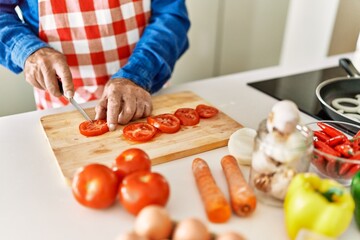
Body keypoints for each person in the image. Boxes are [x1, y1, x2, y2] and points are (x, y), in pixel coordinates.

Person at [0, 0, 190, 131]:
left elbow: (170, 12)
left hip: (144, 90)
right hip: (61, 104)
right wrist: (27, 49)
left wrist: (138, 74)